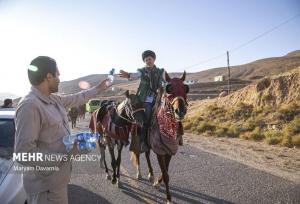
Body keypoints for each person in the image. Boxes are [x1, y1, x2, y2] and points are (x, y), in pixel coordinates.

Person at [14, 56, 109, 204]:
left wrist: (99, 88)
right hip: (45, 189)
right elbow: (23, 154)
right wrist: (67, 154)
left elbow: (77, 98)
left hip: (55, 183)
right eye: (58, 74)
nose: (59, 78)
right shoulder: (30, 106)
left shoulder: (52, 99)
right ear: (49, 77)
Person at [118, 50, 166, 151]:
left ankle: (173, 137)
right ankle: (144, 141)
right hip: (145, 99)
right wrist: (129, 75)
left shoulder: (161, 71)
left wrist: (164, 87)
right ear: (144, 61)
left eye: (150, 59)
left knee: (169, 112)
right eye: (146, 60)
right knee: (147, 115)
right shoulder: (142, 71)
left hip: (158, 97)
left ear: (154, 59)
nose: (148, 61)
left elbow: (165, 82)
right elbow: (136, 75)